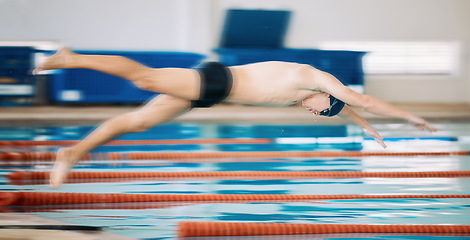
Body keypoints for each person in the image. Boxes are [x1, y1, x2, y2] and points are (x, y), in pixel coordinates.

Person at [34, 47, 437, 188]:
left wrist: (371, 131)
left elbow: (350, 108)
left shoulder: (311, 93)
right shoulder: (313, 79)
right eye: (320, 113)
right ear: (323, 99)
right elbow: (359, 99)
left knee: (138, 122)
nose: (313, 115)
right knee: (144, 79)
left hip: (211, 94)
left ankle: (71, 153)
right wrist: (410, 117)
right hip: (215, 79)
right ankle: (73, 58)